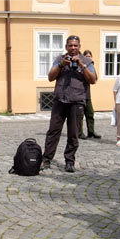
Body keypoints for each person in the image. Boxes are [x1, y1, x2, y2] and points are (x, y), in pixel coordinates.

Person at [40, 35, 97, 173]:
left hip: (77, 102)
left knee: (73, 134)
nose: (73, 48)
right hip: (60, 100)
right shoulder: (60, 59)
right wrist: (61, 65)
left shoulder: (87, 61)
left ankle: (70, 161)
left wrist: (82, 66)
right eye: (70, 45)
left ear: (79, 47)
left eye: (75, 45)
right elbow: (50, 77)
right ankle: (46, 159)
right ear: (66, 47)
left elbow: (93, 79)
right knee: (53, 132)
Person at [79, 50, 101, 140]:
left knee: (90, 113)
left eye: (90, 56)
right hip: (79, 94)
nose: (88, 58)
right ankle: (79, 132)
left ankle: (91, 131)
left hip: (87, 94)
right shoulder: (80, 66)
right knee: (79, 115)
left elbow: (95, 79)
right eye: (86, 56)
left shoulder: (90, 66)